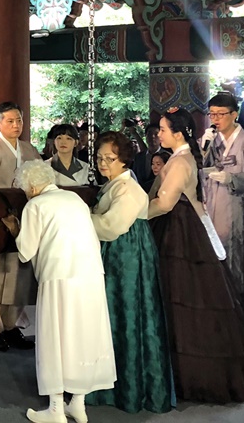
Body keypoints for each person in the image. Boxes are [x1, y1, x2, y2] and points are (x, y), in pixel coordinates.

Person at [148, 107, 244, 403]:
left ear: (178, 133)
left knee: (183, 301)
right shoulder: (181, 157)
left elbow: (164, 204)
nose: (159, 135)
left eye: (163, 130)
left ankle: (191, 378)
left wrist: (132, 215)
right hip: (185, 230)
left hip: (180, 235)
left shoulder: (180, 161)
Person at [3, 160, 115, 423]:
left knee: (55, 338)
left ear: (31, 187)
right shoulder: (75, 199)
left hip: (59, 276)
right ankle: (78, 405)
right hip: (91, 273)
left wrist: (14, 229)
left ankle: (55, 409)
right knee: (84, 336)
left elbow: (26, 251)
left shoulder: (36, 205)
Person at [85, 132, 172, 414]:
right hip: (119, 252)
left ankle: (127, 387)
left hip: (127, 256)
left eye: (109, 158)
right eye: (99, 157)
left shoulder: (128, 188)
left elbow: (112, 226)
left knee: (126, 314)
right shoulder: (114, 184)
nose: (103, 163)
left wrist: (80, 218)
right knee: (114, 315)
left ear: (123, 160)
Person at [0, 102, 40, 352]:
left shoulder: (29, 149)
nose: (16, 125)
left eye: (19, 120)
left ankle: (11, 325)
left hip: (25, 216)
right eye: (10, 121)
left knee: (18, 273)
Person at [202, 92, 244, 323]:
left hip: (240, 208)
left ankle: (241, 315)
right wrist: (203, 150)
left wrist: (233, 179)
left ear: (234, 115)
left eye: (221, 114)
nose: (215, 119)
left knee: (238, 261)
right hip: (213, 207)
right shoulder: (211, 141)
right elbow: (198, 167)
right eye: (212, 114)